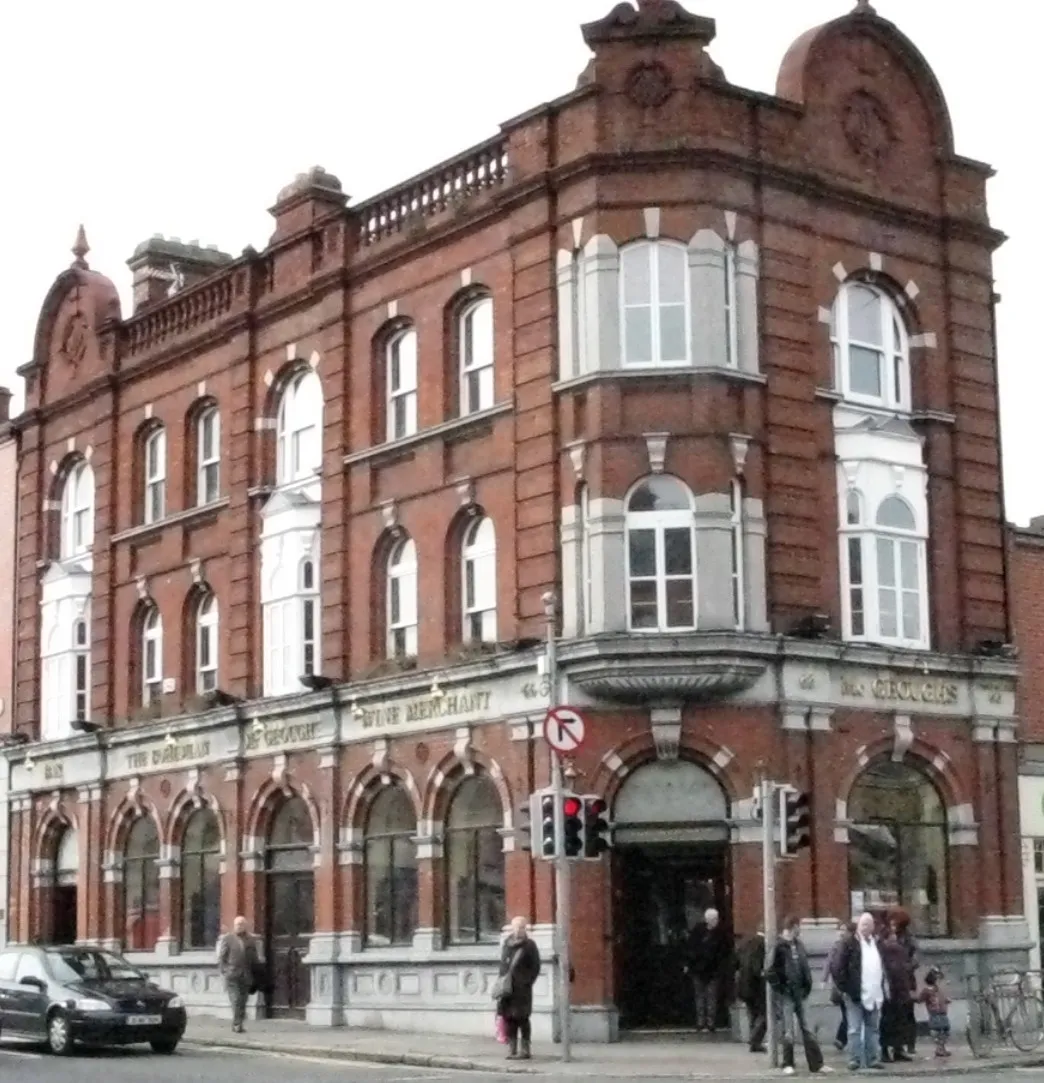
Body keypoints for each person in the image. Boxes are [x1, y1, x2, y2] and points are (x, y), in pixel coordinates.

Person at [767, 914, 825, 1076]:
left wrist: (807, 985)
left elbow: (803, 966)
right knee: (789, 1030)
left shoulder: (798, 945)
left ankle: (816, 1064)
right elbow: (770, 971)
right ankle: (788, 1063)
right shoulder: (779, 946)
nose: (800, 929)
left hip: (800, 992)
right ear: (793, 927)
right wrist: (781, 987)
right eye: (798, 926)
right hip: (787, 993)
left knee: (807, 1028)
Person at [835, 911, 886, 1071]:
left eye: (869, 925)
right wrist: (846, 988)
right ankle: (854, 1059)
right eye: (863, 924)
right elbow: (838, 968)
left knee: (873, 1028)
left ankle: (872, 1059)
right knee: (854, 1028)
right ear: (858, 926)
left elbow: (882, 967)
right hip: (855, 993)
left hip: (874, 992)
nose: (866, 928)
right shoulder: (849, 943)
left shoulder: (877, 943)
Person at [494, 916, 542, 1060]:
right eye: (516, 927)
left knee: (523, 1018)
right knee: (509, 1019)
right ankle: (512, 1049)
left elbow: (536, 967)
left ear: (525, 929)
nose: (519, 930)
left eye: (522, 927)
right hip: (508, 989)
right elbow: (503, 965)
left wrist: (527, 981)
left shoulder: (529, 946)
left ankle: (525, 1049)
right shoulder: (507, 944)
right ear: (512, 928)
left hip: (522, 989)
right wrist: (501, 983)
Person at [686, 908, 731, 1033]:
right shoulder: (699, 931)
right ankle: (701, 1022)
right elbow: (691, 949)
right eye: (714, 919)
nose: (716, 921)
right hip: (700, 970)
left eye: (716, 918)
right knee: (701, 996)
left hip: (713, 971)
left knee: (711, 997)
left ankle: (710, 1022)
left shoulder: (720, 933)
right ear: (708, 919)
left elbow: (724, 951)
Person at [217, 915, 262, 1034]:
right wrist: (225, 971)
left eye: (241, 924)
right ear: (234, 926)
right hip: (232, 975)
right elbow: (222, 957)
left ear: (245, 926)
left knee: (243, 1001)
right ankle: (237, 1025)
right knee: (236, 1000)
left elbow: (254, 957)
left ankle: (238, 1023)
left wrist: (256, 972)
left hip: (246, 975)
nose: (239, 926)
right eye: (237, 924)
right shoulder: (228, 938)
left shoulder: (250, 939)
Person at [879, 926, 913, 1062]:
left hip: (899, 991)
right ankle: (886, 1050)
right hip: (889, 992)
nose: (894, 938)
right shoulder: (881, 952)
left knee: (898, 1021)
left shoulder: (899, 950)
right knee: (888, 1022)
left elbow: (906, 968)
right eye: (891, 936)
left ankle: (897, 1049)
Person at [890, 908, 919, 1056]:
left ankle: (910, 1044)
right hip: (895, 981)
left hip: (907, 981)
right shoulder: (890, 936)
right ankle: (898, 1046)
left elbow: (916, 959)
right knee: (896, 1014)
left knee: (908, 1013)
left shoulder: (909, 939)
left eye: (895, 921)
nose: (892, 924)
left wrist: (903, 968)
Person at [735, 929, 767, 1053]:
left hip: (744, 984)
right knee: (764, 1014)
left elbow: (736, 961)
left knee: (753, 1013)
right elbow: (756, 968)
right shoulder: (762, 944)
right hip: (756, 985)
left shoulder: (745, 942)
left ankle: (755, 1042)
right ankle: (754, 1039)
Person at [823, 922, 853, 1051]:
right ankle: (841, 1039)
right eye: (839, 930)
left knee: (848, 1013)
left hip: (849, 984)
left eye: (844, 930)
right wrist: (824, 979)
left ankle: (841, 1039)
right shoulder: (837, 946)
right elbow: (828, 963)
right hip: (841, 986)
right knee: (848, 1013)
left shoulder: (852, 946)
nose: (841, 933)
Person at [917, 966, 951, 1058]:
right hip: (935, 1013)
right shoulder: (927, 991)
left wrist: (945, 1000)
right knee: (937, 1030)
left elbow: (941, 998)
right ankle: (939, 1048)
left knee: (945, 1030)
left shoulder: (937, 989)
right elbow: (920, 999)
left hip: (942, 1012)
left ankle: (941, 1048)